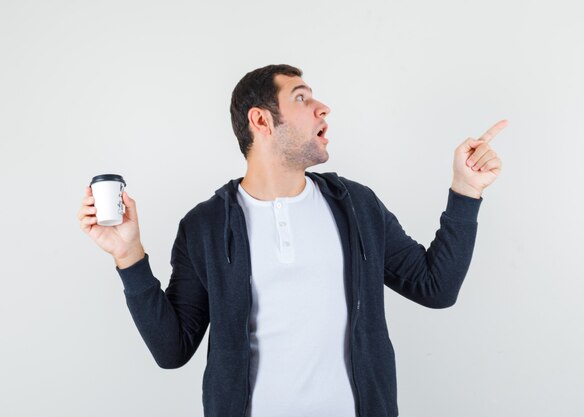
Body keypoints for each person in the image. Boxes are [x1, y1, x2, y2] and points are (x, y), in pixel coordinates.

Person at [77, 64, 506, 417]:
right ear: (261, 120)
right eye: (301, 97)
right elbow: (172, 350)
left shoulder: (356, 206)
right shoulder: (205, 226)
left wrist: (465, 192)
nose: (323, 108)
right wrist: (128, 255)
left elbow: (437, 287)